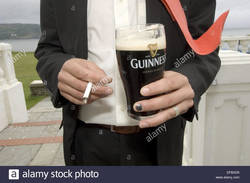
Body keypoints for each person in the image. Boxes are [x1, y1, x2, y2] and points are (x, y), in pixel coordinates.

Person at [35, 0, 221, 165]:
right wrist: (60, 68)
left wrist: (190, 78)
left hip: (161, 142)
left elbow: (205, 48)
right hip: (85, 142)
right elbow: (48, 49)